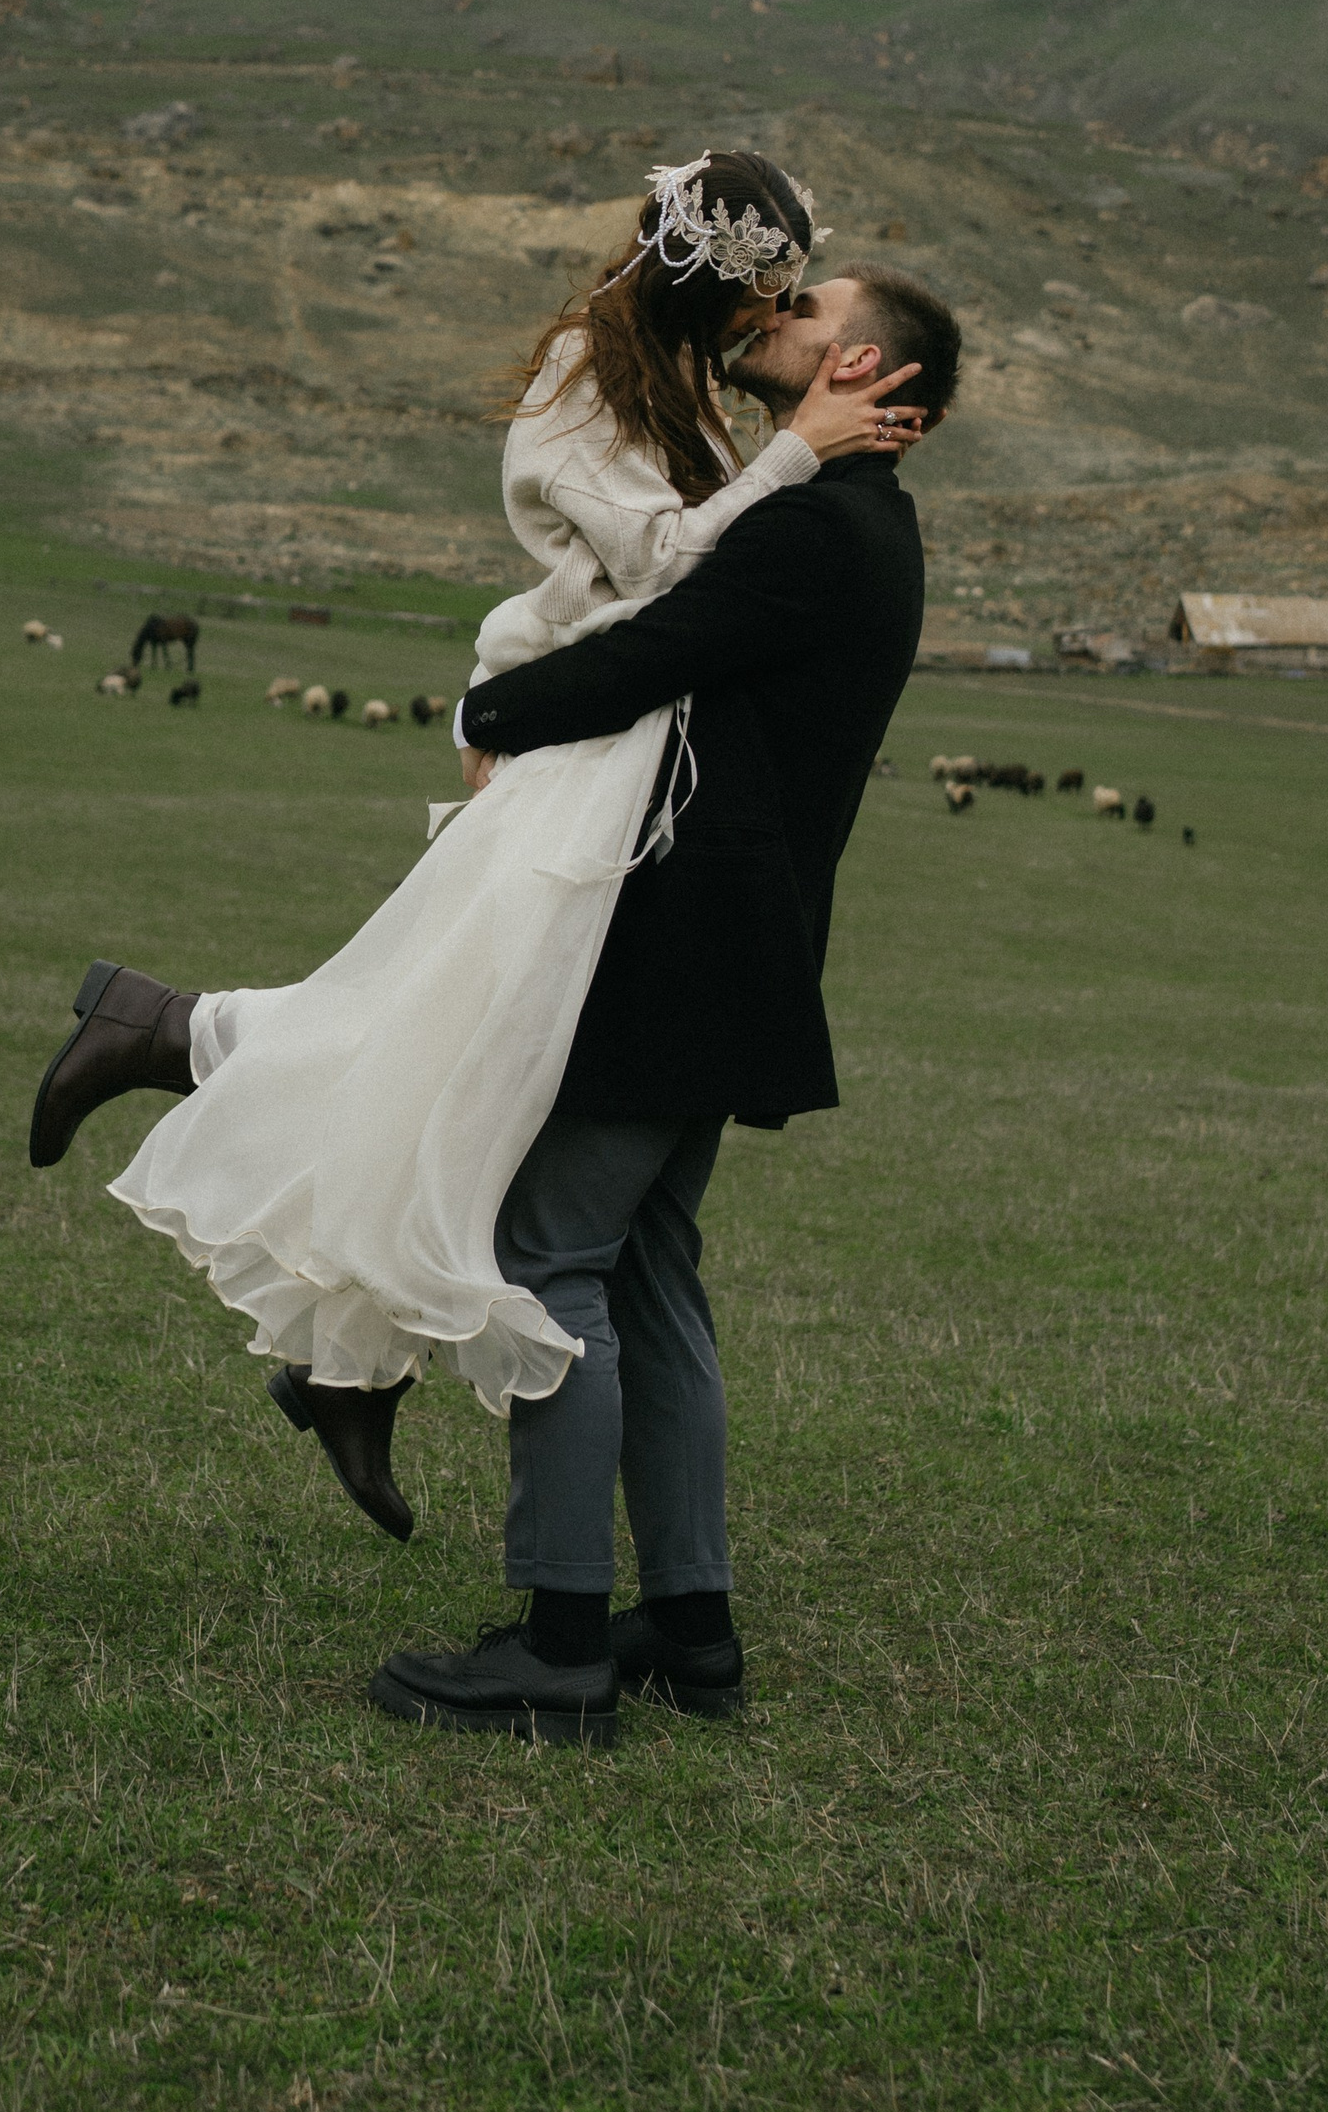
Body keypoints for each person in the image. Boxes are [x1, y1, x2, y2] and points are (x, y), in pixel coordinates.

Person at [23, 153, 922, 1537]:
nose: (776, 315)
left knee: (460, 1068)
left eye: (796, 297)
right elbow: (665, 567)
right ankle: (171, 1048)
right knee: (440, 1048)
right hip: (575, 751)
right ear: (712, 275)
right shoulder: (587, 374)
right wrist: (797, 458)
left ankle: (337, 1349)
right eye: (769, 290)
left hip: (619, 761)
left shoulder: (682, 381)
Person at [364, 255, 960, 1749]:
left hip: (679, 943)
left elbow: (650, 653)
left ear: (873, 377)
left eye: (814, 311)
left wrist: (485, 712)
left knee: (551, 1256)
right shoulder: (863, 527)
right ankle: (691, 1631)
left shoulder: (818, 526)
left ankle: (562, 1644)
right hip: (738, 955)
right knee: (649, 1271)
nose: (779, 315)